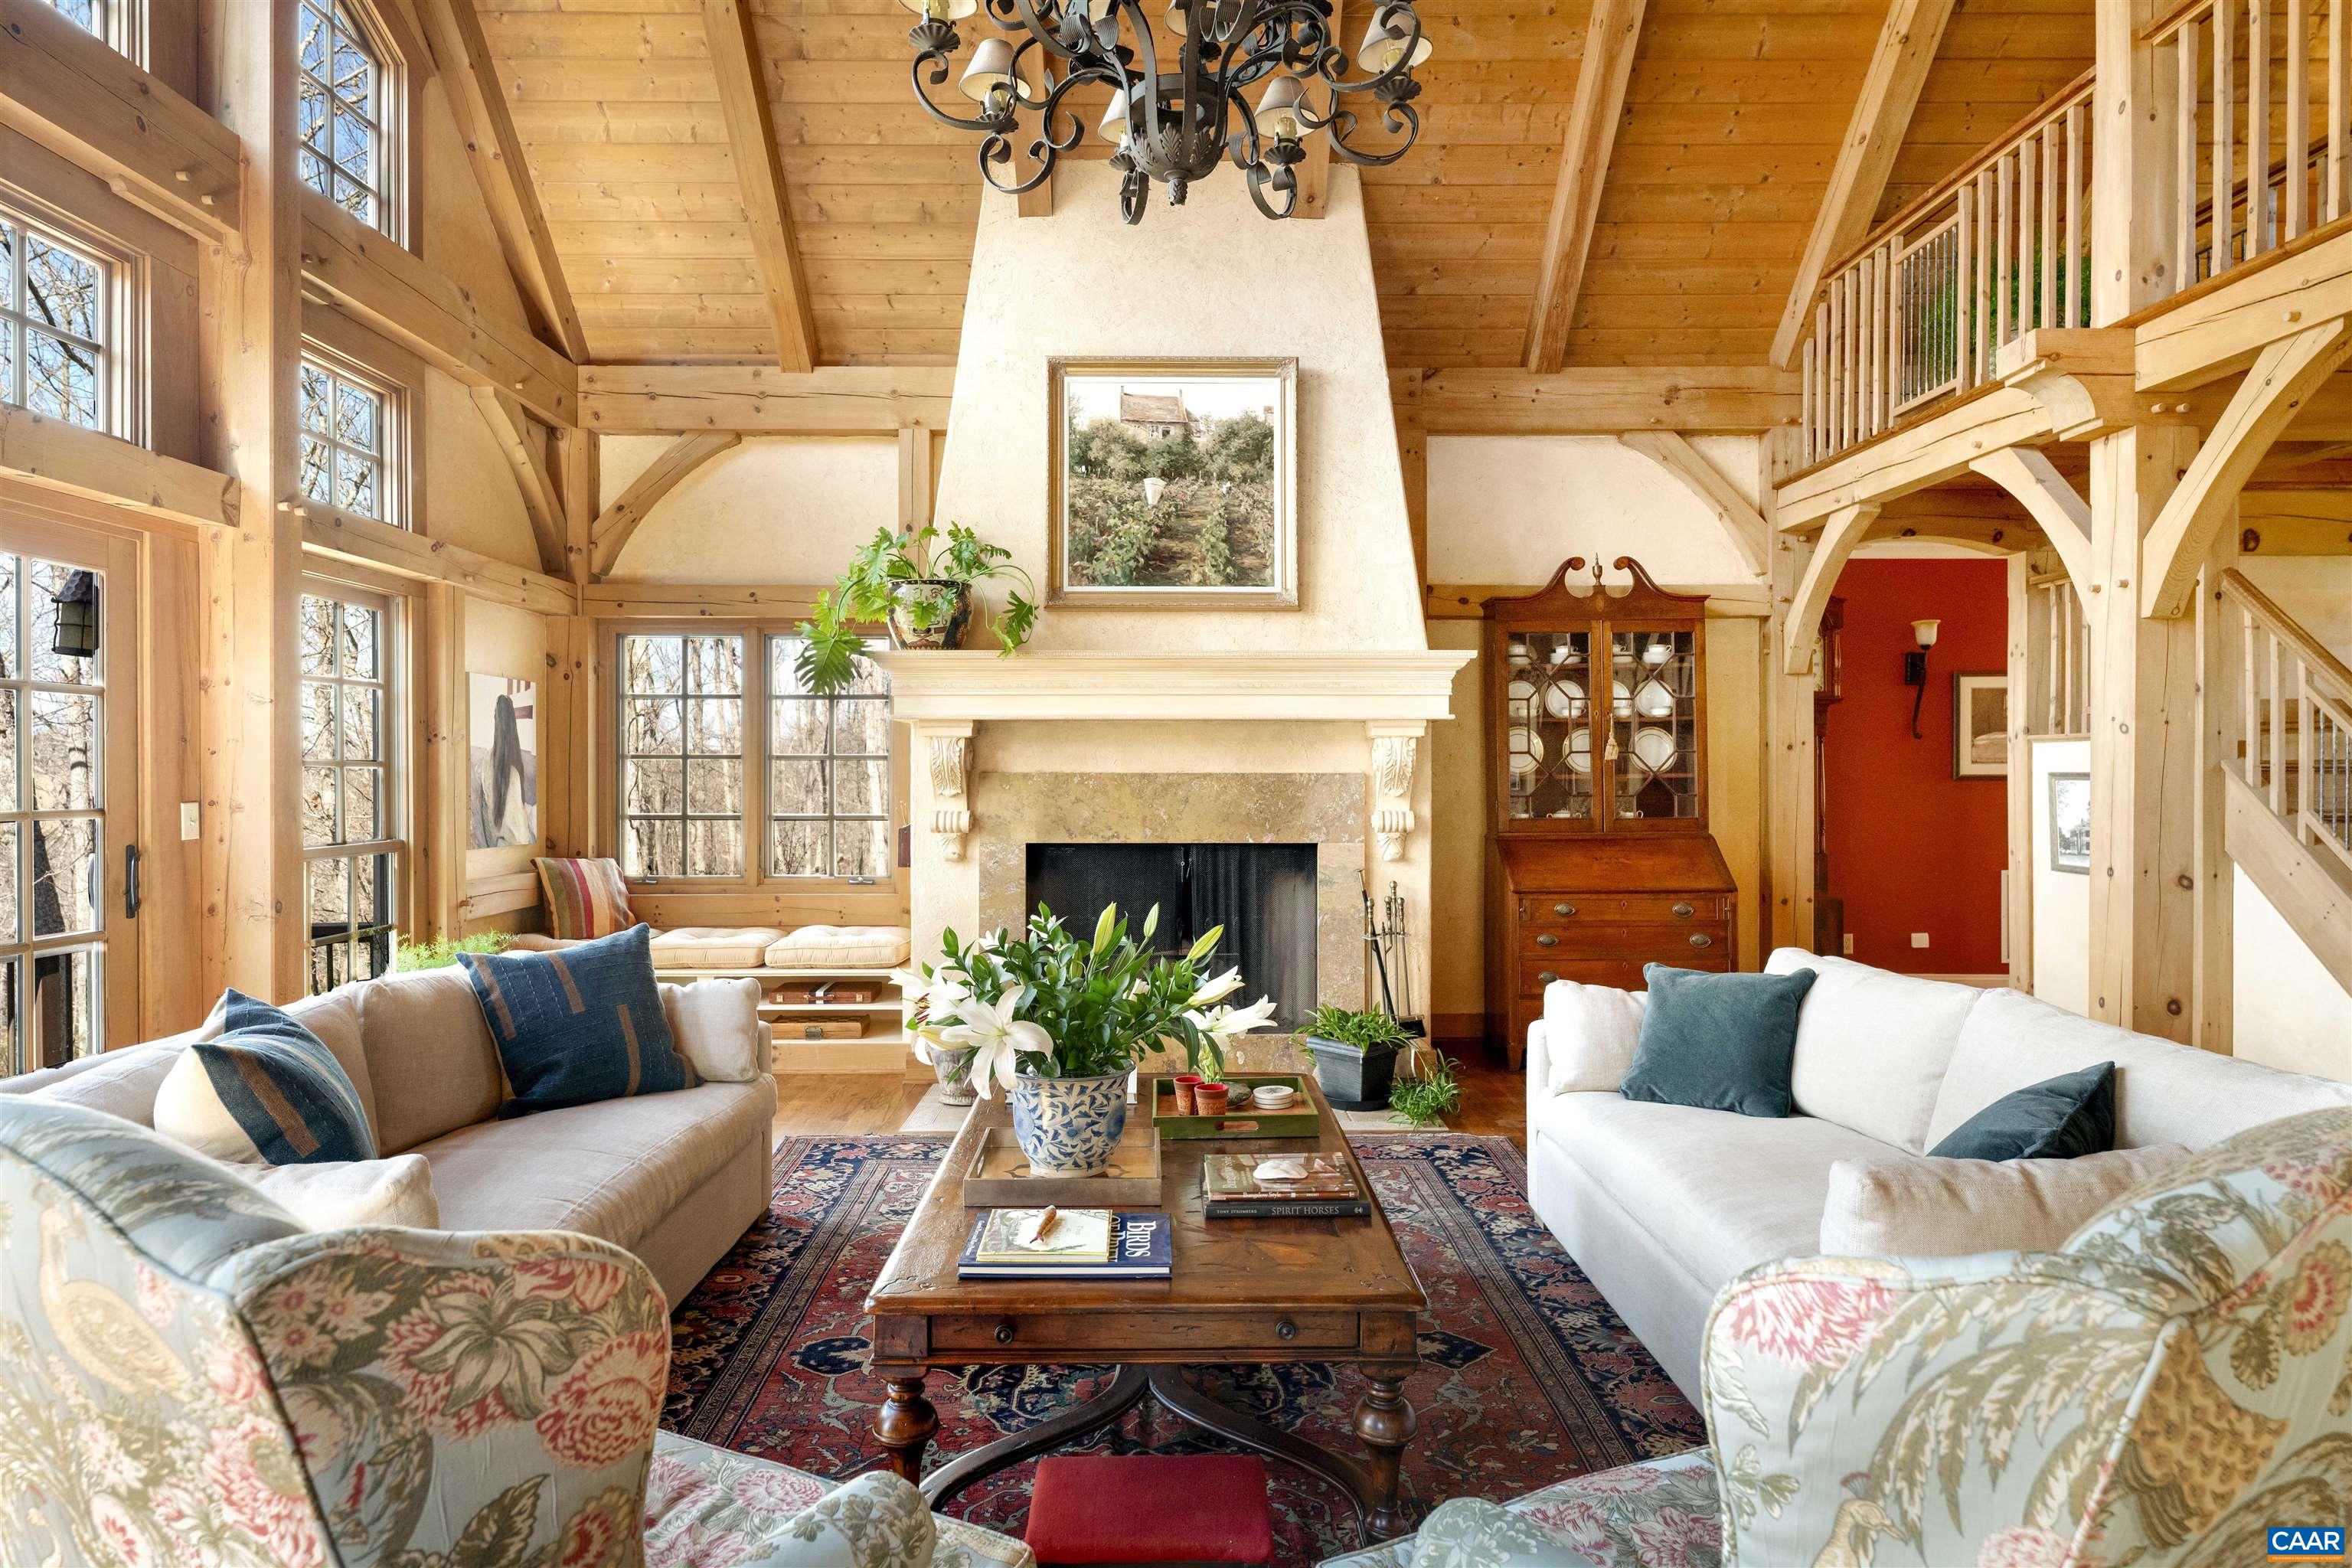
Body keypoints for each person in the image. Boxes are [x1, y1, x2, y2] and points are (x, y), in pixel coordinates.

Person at [471, 692, 534, 848]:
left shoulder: (487, 763)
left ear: (496, 721)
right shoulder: (514, 768)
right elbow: (519, 831)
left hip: (498, 843)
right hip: (518, 842)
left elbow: (489, 817)